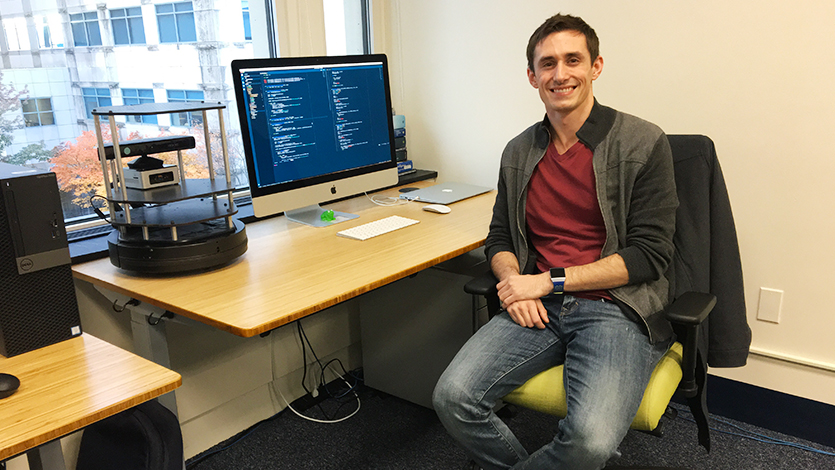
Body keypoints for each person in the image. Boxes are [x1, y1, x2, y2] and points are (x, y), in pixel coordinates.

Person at [433, 13, 679, 470]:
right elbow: (501, 236)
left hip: (614, 307)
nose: (560, 74)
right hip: (537, 308)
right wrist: (512, 283)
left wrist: (545, 282)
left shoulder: (643, 142)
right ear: (532, 76)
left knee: (589, 442)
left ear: (596, 66)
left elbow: (650, 256)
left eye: (573, 60)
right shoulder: (520, 150)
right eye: (547, 64)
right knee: (452, 398)